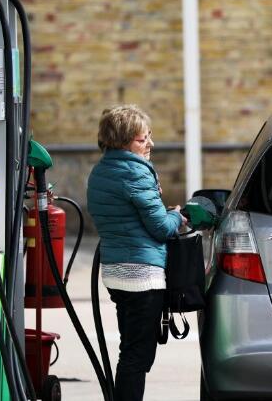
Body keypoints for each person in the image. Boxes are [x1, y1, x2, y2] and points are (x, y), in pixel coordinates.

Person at [86, 104, 186, 401]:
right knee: (137, 357)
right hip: (142, 277)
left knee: (129, 351)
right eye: (143, 139)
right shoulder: (135, 174)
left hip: (116, 275)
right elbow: (160, 227)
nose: (150, 144)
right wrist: (177, 217)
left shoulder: (100, 171)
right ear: (122, 141)